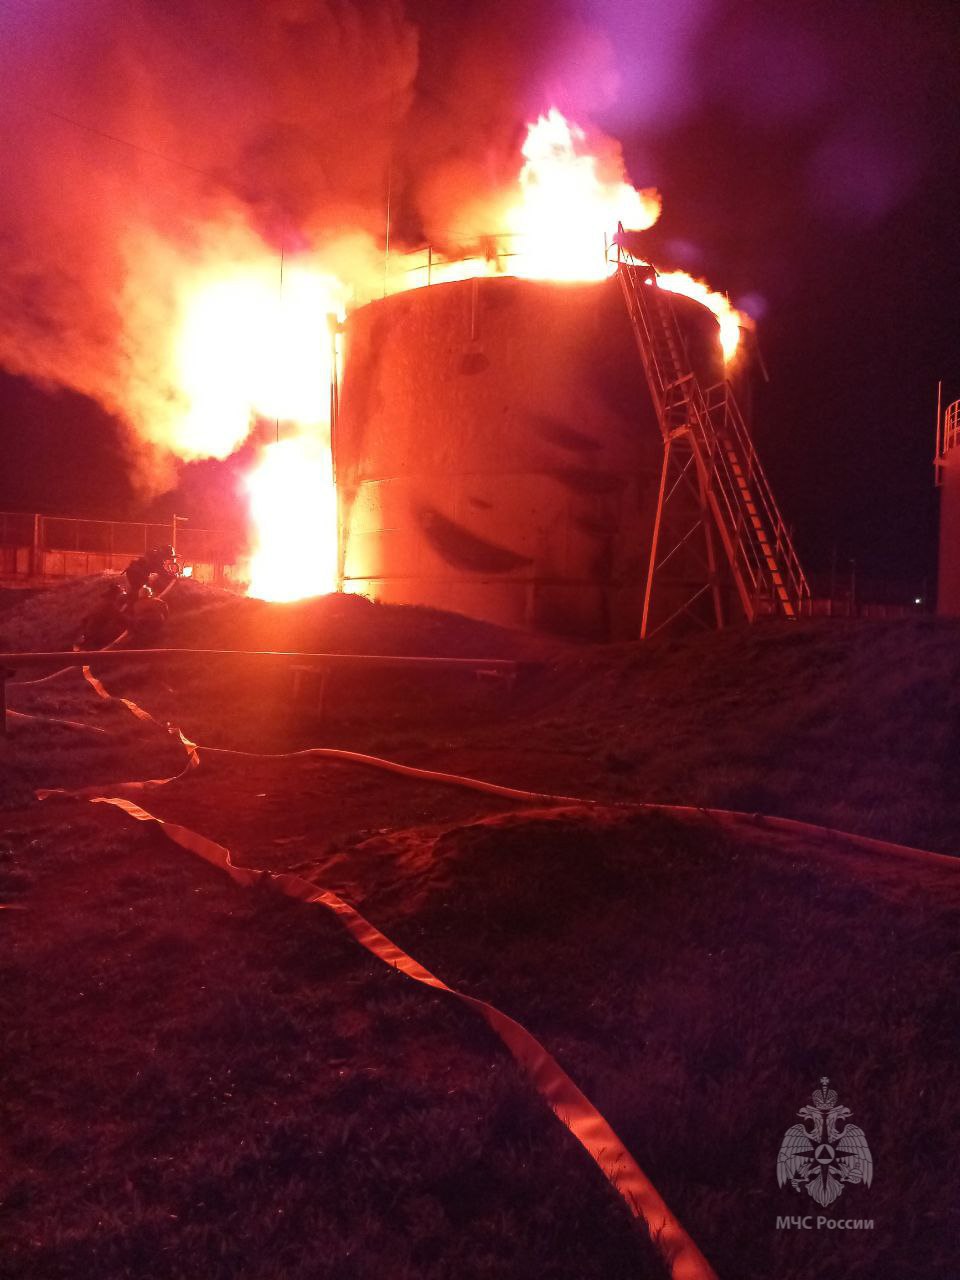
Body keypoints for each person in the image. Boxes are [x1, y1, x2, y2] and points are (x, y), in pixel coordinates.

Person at [76, 582, 129, 650]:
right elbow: (122, 619)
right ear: (115, 596)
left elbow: (84, 619)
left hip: (89, 635)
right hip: (95, 638)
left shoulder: (101, 603)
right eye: (120, 595)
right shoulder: (109, 606)